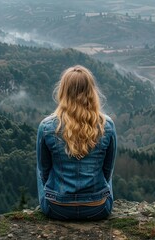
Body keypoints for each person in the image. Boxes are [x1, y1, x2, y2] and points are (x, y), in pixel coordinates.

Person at [36, 65, 117, 221]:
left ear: (63, 91)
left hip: (56, 208)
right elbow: (107, 171)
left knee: (40, 168)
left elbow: (44, 172)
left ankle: (53, 197)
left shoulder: (46, 127)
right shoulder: (107, 125)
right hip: (98, 209)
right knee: (105, 171)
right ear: (92, 92)